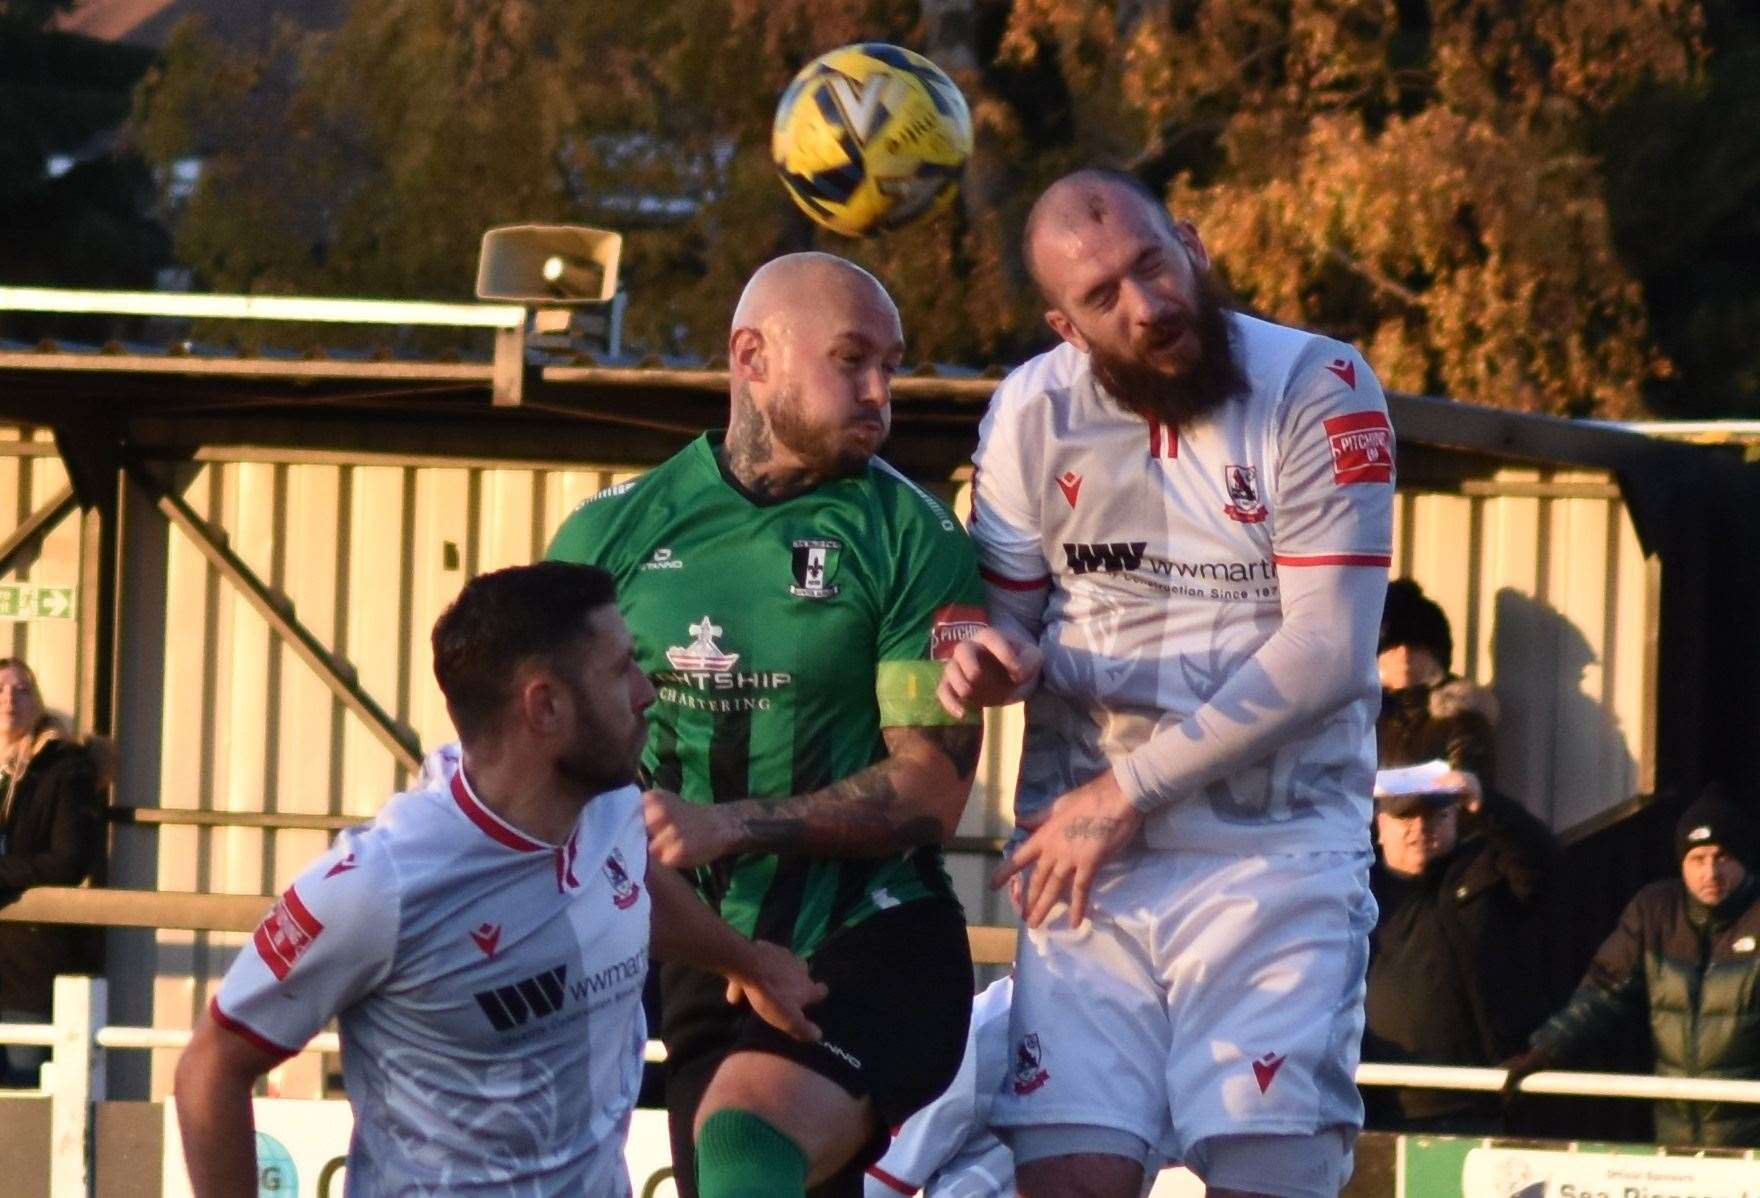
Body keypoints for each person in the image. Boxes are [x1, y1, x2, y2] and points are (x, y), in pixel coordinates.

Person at [939, 168, 1395, 1198]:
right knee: (1068, 1176)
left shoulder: (1318, 384)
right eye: (1103, 296)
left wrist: (1122, 794)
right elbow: (1007, 623)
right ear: (1065, 323)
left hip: (1271, 863)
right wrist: (990, 656)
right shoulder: (1025, 411)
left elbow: (1328, 652)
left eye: (1153, 263)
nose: (1146, 305)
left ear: (1188, 241)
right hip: (1084, 867)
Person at [546, 253, 987, 1198]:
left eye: (891, 367)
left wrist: (732, 823)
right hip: (699, 954)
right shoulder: (608, 535)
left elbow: (931, 793)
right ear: (752, 357)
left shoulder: (914, 536)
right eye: (852, 361)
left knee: (744, 1148)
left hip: (873, 933)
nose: (880, 393)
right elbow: (556, 767)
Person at [174, 562, 825, 1196]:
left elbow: (636, 885)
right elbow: (210, 1068)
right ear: (544, 707)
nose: (645, 691)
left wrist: (747, 964)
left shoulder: (611, 805)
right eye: (620, 669)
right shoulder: (380, 886)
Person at [1502, 787, 1760, 1148]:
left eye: (1722, 857)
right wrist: (1544, 1051)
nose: (1710, 872)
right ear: (1681, 864)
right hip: (1676, 1142)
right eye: (1697, 859)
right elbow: (1604, 992)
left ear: (1745, 860)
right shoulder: (1654, 911)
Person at [1362, 763, 1558, 1133]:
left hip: (1478, 1101)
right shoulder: (1355, 890)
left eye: (1436, 817)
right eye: (1406, 818)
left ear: (1455, 820)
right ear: (1381, 828)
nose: (1421, 829)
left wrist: (1485, 802)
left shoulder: (1485, 870)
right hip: (1378, 1103)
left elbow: (1543, 861)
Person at [0, 658, 104, 1087]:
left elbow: (69, 859)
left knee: (22, 1102)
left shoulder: (63, 767)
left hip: (28, 964)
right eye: (1, 690)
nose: (9, 699)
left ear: (37, 701)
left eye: (22, 689)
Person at [1376, 579, 1497, 785]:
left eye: (1417, 647)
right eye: (1393, 647)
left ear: (1436, 657)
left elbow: (1467, 791)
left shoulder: (1460, 719)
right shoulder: (1359, 719)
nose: (1404, 654)